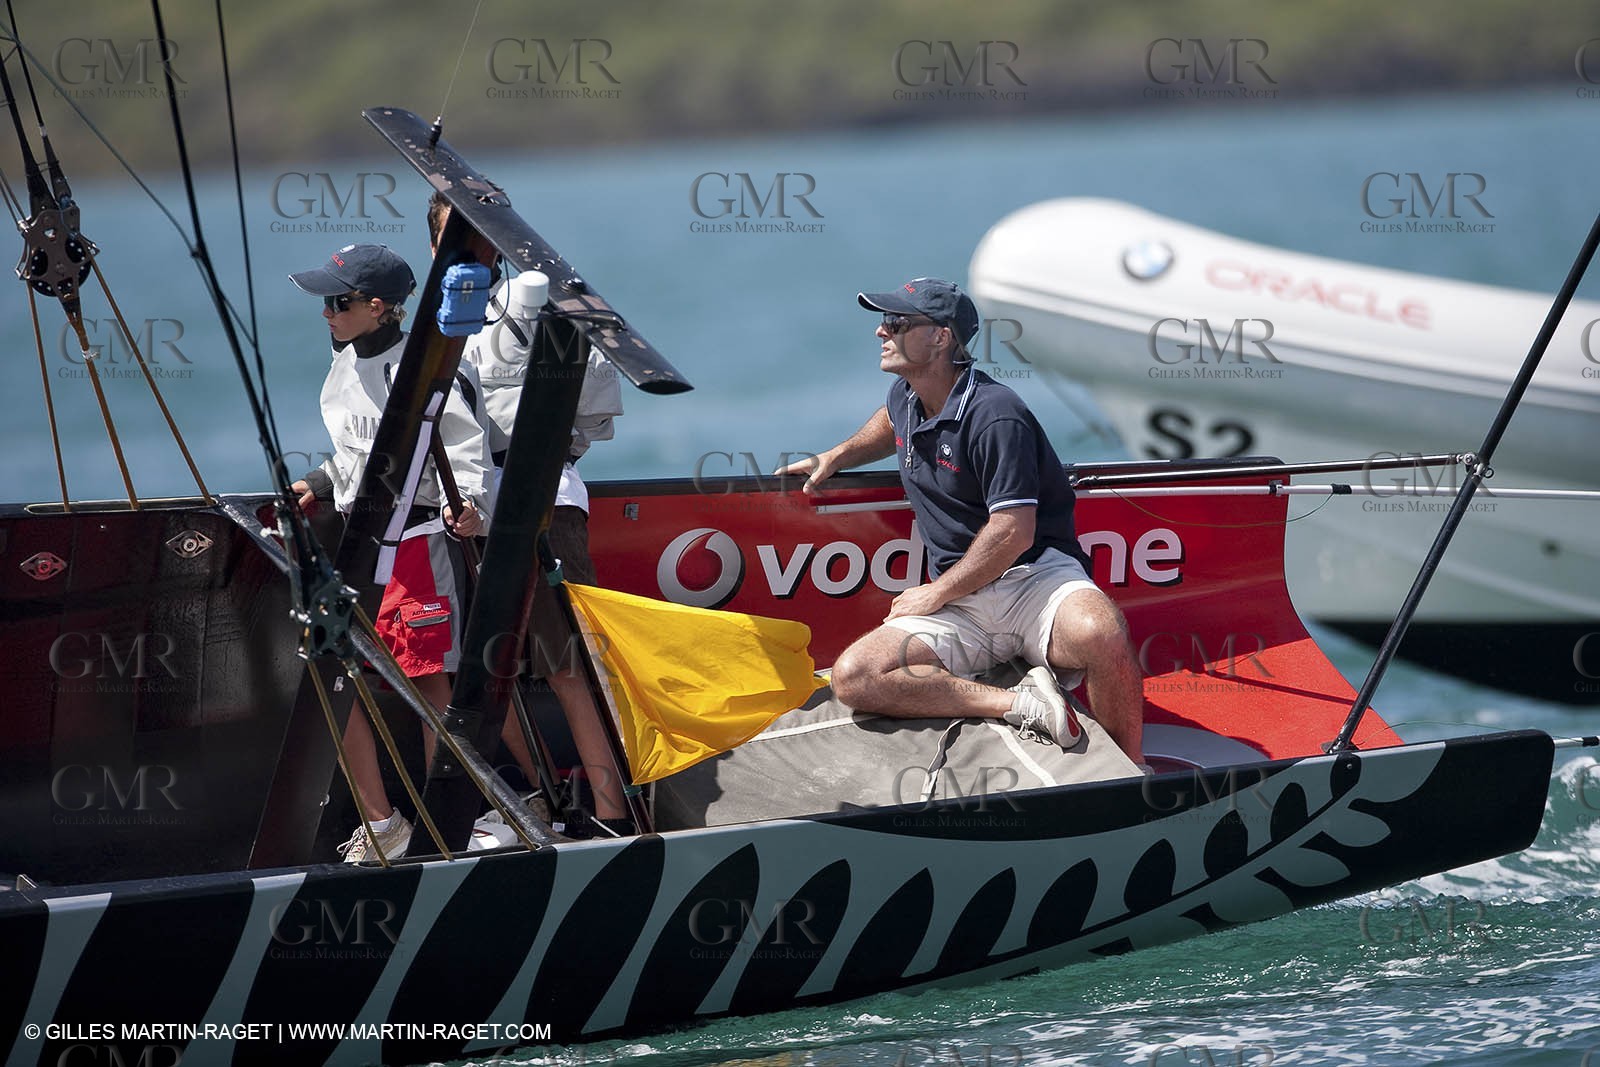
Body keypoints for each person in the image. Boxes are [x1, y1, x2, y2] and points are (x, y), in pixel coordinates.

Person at [778, 278, 1145, 765]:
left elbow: (1013, 531)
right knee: (855, 677)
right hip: (963, 601)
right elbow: (890, 420)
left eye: (896, 322)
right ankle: (1019, 704)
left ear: (940, 337)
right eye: (884, 321)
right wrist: (838, 456)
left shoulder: (997, 414)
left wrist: (936, 593)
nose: (881, 331)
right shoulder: (907, 394)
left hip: (1034, 581)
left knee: (1101, 633)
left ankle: (1134, 769)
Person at [425, 193, 632, 835]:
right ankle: (539, 800)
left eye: (480, 237)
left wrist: (551, 451)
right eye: (455, 238)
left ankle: (614, 814)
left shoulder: (536, 310)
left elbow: (594, 399)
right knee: (484, 670)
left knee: (569, 665)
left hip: (541, 505)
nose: (470, 250)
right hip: (462, 512)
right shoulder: (435, 329)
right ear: (434, 249)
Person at [288, 242, 493, 861]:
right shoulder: (343, 361)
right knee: (330, 675)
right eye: (325, 301)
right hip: (358, 544)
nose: (326, 313)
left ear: (377, 307)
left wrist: (471, 505)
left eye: (338, 302)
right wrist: (321, 481)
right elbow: (353, 450)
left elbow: (469, 452)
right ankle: (384, 826)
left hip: (417, 542)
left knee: (429, 684)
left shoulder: (429, 368)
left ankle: (451, 827)